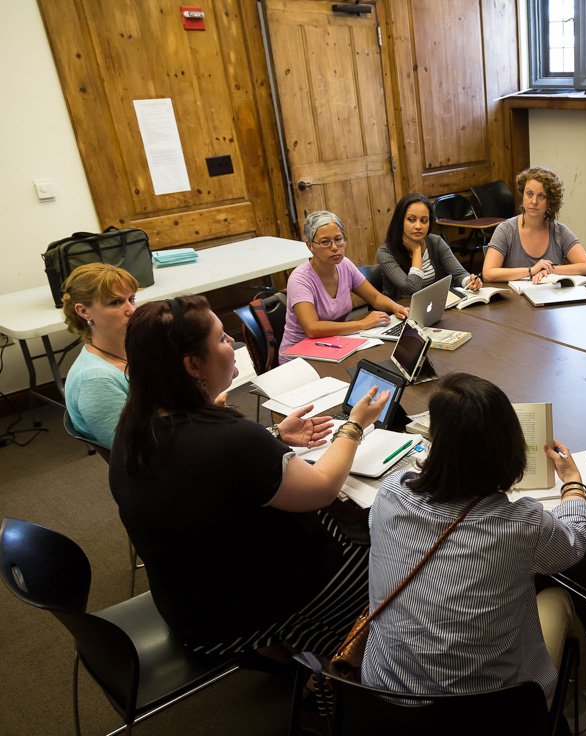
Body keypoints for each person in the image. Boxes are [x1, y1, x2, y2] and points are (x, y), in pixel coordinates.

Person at [109, 294, 391, 659]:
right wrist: (354, 425)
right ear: (193, 365)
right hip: (241, 610)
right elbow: (322, 487)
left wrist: (274, 438)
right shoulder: (229, 439)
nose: (233, 345)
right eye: (223, 339)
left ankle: (300, 649)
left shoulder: (133, 425)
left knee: (340, 521)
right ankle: (343, 666)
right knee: (391, 557)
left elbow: (206, 477)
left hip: (191, 599)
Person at [362, 373, 586, 733]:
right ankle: (578, 711)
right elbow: (573, 544)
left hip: (386, 704)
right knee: (558, 598)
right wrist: (573, 485)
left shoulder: (390, 493)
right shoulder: (521, 523)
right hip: (494, 715)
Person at [279, 210, 408, 363]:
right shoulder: (300, 279)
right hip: (299, 357)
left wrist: (396, 307)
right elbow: (312, 328)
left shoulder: (345, 265)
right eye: (325, 242)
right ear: (310, 246)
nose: (334, 247)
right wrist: (361, 324)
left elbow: (374, 297)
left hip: (333, 344)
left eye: (339, 239)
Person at [60, 263, 139, 447]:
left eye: (131, 299)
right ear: (84, 311)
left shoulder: (133, 349)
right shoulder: (95, 380)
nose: (132, 310)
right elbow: (134, 450)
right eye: (115, 302)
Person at [482, 167, 586, 284]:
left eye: (541, 196)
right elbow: (488, 274)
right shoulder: (505, 230)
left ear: (550, 201)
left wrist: (549, 270)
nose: (534, 201)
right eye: (529, 194)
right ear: (523, 195)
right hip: (514, 298)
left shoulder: (559, 231)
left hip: (550, 297)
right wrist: (531, 270)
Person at [375, 193, 482, 300]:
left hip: (433, 306)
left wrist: (469, 281)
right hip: (401, 310)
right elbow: (412, 288)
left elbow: (459, 273)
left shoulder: (435, 241)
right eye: (411, 220)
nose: (418, 226)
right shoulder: (385, 252)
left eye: (424, 221)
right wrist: (416, 250)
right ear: (400, 221)